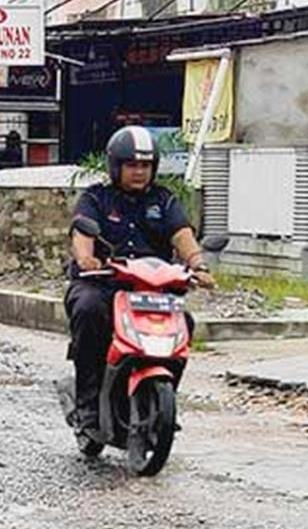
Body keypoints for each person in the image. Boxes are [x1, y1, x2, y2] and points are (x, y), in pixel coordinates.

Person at [64, 126, 212, 426]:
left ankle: (161, 400)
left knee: (185, 323)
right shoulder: (96, 198)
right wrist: (86, 259)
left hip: (152, 290)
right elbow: (82, 233)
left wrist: (199, 265)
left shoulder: (164, 200)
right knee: (88, 310)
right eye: (131, 165)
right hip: (104, 284)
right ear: (115, 166)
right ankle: (88, 405)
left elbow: (182, 235)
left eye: (145, 166)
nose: (139, 172)